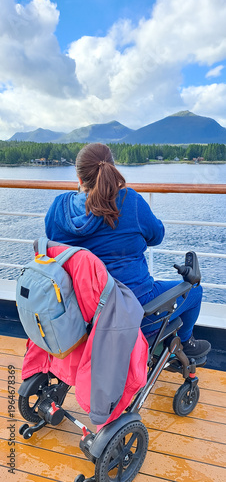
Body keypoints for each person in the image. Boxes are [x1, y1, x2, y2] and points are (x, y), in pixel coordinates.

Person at [45, 142, 211, 359]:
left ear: (79, 178)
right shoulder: (129, 201)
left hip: (81, 317)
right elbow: (157, 235)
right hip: (135, 315)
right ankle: (185, 343)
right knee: (195, 290)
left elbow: (53, 246)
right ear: (112, 171)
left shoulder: (58, 207)